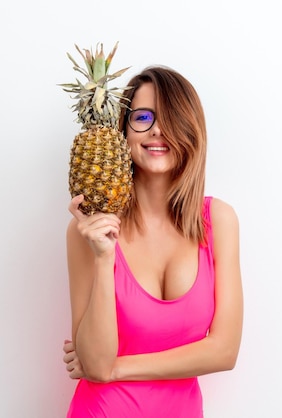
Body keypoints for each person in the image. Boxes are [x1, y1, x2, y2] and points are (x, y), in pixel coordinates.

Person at [62, 66, 243, 417]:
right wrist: (103, 257)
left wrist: (118, 369)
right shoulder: (88, 229)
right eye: (143, 117)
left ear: (192, 130)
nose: (157, 129)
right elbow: (96, 363)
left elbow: (224, 351)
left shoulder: (218, 221)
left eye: (171, 118)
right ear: (124, 130)